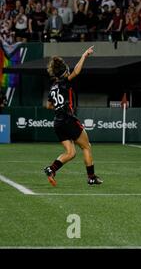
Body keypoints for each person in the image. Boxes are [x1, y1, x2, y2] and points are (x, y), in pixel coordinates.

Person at [43, 46, 103, 186]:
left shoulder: (53, 87)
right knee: (86, 146)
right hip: (68, 120)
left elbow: (48, 105)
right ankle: (91, 177)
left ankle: (51, 169)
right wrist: (84, 55)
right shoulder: (65, 82)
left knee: (71, 153)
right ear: (64, 72)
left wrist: (58, 107)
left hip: (58, 123)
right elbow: (77, 70)